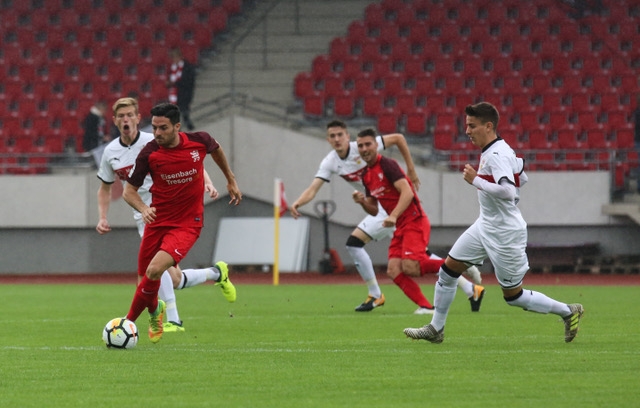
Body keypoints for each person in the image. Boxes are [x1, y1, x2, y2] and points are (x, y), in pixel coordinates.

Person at [404, 102, 584, 344]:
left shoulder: (497, 154)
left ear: (488, 126)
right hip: (485, 225)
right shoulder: (499, 150)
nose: (467, 131)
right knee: (447, 271)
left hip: (505, 233)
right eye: (467, 125)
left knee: (513, 297)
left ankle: (568, 311)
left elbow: (509, 192)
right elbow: (523, 176)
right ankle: (436, 329)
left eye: (472, 126)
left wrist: (476, 180)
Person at [290, 120, 482, 314]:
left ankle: (379, 293)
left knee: (410, 264)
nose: (337, 139)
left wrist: (411, 169)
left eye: (340, 135)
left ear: (349, 137)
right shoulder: (352, 169)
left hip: (405, 215)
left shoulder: (381, 159)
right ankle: (434, 302)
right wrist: (299, 202)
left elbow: (399, 140)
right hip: (387, 213)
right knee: (395, 268)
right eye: (333, 136)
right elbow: (317, 189)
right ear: (328, 139)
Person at [97, 97, 231, 333]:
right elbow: (106, 187)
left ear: (139, 119)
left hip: (172, 213)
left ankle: (171, 319)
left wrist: (208, 184)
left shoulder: (156, 140)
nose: (125, 119)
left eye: (130, 114)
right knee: (169, 279)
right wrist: (103, 216)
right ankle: (215, 273)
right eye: (121, 115)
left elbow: (194, 160)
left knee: (156, 271)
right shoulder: (111, 152)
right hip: (145, 215)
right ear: (115, 120)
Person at [353, 128, 485, 314]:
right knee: (393, 270)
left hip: (414, 220)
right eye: (360, 145)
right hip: (400, 224)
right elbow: (374, 209)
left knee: (411, 266)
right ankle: (426, 306)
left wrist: (393, 215)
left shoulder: (387, 165)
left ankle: (461, 265)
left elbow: (407, 192)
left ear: (376, 146)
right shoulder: (366, 175)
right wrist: (362, 202)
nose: (364, 148)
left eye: (368, 144)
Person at [167, 48, 196, 130]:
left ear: (180, 57)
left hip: (184, 93)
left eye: (175, 57)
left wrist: (174, 83)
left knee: (184, 110)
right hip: (175, 94)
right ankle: (177, 127)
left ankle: (188, 124)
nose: (174, 59)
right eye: (173, 57)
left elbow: (188, 81)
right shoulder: (171, 68)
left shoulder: (187, 67)